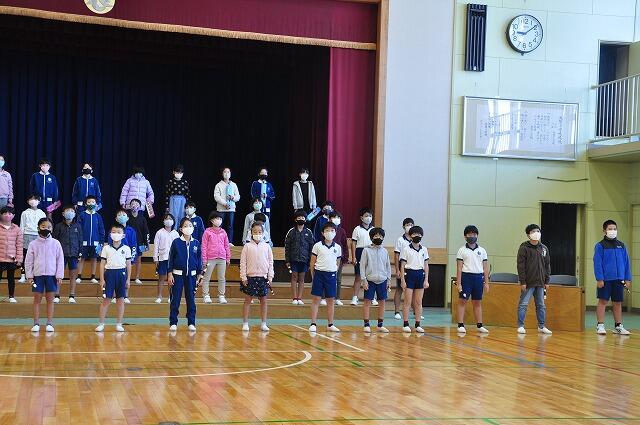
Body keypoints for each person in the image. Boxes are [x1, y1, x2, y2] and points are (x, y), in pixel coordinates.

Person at [24, 218, 64, 333]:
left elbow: (60, 260)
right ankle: (36, 323)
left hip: (52, 276)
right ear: (38, 228)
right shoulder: (33, 244)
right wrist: (29, 276)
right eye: (43, 226)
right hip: (38, 277)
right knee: (37, 300)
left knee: (50, 300)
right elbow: (28, 261)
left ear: (52, 229)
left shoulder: (56, 243)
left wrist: (59, 275)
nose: (46, 229)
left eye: (49, 227)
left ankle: (49, 323)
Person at [594, 219, 632, 335]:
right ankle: (600, 325)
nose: (613, 231)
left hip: (619, 279)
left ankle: (618, 326)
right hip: (605, 280)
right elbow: (597, 263)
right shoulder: (600, 246)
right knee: (603, 301)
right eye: (610, 229)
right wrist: (599, 278)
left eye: (614, 229)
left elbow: (626, 263)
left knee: (617, 302)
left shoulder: (622, 245)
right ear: (604, 231)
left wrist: (627, 278)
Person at [516, 224, 552, 335]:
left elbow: (547, 265)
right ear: (528, 235)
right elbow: (520, 266)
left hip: (540, 282)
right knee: (523, 304)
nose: (536, 233)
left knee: (541, 305)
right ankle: (521, 326)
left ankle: (541, 326)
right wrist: (523, 281)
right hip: (528, 282)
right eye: (533, 231)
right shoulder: (524, 248)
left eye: (538, 231)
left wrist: (547, 281)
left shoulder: (544, 248)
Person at [167, 218, 203, 331]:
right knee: (175, 299)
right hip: (177, 275)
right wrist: (170, 273)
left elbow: (199, 260)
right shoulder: (176, 242)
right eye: (186, 226)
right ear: (181, 229)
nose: (188, 227)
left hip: (191, 276)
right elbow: (171, 259)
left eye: (190, 225)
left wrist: (199, 274)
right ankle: (173, 322)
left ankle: (191, 322)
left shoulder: (196, 243)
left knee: (191, 300)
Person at [95, 223, 132, 332]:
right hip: (109, 274)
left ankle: (119, 324)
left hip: (121, 274)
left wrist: (128, 279)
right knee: (106, 300)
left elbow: (129, 264)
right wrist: (102, 279)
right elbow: (102, 264)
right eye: (114, 232)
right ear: (110, 234)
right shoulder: (106, 248)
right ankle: (101, 323)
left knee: (120, 300)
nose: (116, 234)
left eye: (118, 232)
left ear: (123, 235)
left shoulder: (126, 248)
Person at [240, 222, 274, 332]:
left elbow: (270, 262)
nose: (257, 234)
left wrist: (270, 276)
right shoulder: (247, 246)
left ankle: (263, 323)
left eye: (259, 232)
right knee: (247, 300)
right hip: (250, 277)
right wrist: (243, 277)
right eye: (255, 232)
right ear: (251, 233)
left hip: (263, 277)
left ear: (263, 233)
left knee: (263, 300)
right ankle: (245, 323)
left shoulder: (267, 246)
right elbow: (243, 262)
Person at [455, 225, 490, 334]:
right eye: (470, 234)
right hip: (466, 277)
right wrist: (459, 283)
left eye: (474, 234)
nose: (472, 236)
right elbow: (459, 268)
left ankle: (479, 325)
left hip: (478, 278)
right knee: (462, 301)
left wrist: (486, 283)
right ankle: (460, 324)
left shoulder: (482, 250)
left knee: (477, 302)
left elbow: (485, 268)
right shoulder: (461, 250)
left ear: (477, 236)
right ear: (465, 236)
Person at [309, 222, 342, 333]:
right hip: (319, 274)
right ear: (323, 233)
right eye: (327, 230)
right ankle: (313, 323)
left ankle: (330, 324)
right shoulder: (317, 246)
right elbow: (312, 262)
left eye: (332, 230)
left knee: (330, 300)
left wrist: (333, 272)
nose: (330, 233)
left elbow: (337, 262)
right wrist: (313, 275)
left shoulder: (338, 247)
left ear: (335, 232)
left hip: (331, 275)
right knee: (316, 299)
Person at [360, 227, 391, 333]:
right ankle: (366, 324)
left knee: (382, 302)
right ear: (371, 237)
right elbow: (362, 266)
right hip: (370, 280)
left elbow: (388, 266)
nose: (378, 237)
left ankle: (380, 325)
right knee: (367, 302)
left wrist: (388, 280)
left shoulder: (385, 251)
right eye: (376, 236)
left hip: (382, 280)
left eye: (380, 236)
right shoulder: (366, 250)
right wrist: (364, 280)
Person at [399, 226, 429, 333]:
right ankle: (405, 323)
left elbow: (426, 265)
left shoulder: (424, 249)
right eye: (415, 234)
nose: (417, 236)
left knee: (418, 302)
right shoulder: (406, 249)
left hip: (420, 275)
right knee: (407, 301)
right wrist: (403, 280)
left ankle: (418, 324)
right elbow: (402, 265)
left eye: (419, 234)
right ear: (411, 236)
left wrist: (426, 279)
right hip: (409, 274)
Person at [52, 206, 83, 304]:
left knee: (73, 276)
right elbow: (54, 241)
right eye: (67, 211)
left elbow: (80, 240)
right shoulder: (58, 226)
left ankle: (72, 295)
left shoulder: (77, 226)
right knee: (58, 275)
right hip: (61, 255)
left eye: (72, 211)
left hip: (74, 254)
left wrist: (80, 252)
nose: (70, 212)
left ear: (75, 214)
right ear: (63, 213)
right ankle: (57, 295)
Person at [284, 210, 314, 305]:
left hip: (305, 260)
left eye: (303, 217)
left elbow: (311, 247)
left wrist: (310, 260)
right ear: (295, 219)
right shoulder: (291, 232)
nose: (301, 219)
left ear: (305, 219)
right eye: (299, 217)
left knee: (301, 278)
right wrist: (287, 260)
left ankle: (299, 298)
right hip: (293, 259)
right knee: (294, 277)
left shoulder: (309, 232)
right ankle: (294, 298)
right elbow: (287, 247)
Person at [201, 211, 231, 304]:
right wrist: (204, 259)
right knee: (206, 277)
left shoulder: (223, 232)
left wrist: (228, 257)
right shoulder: (207, 232)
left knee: (221, 278)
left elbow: (226, 245)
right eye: (217, 218)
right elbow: (204, 246)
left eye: (220, 218)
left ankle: (221, 296)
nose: (219, 220)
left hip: (222, 258)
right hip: (210, 258)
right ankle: (206, 295)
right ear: (212, 220)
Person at [109, 209, 138, 304]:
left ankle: (125, 295)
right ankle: (114, 296)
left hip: (127, 257)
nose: (121, 216)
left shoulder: (131, 231)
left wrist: (132, 259)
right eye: (119, 215)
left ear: (127, 218)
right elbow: (110, 244)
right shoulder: (113, 230)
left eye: (123, 214)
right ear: (116, 219)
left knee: (125, 277)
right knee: (115, 277)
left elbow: (134, 245)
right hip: (115, 257)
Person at [76, 196, 105, 284]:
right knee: (81, 258)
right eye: (89, 202)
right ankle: (79, 276)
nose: (91, 204)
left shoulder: (98, 216)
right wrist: (79, 240)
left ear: (96, 204)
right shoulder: (82, 215)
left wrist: (101, 242)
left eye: (93, 202)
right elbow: (78, 228)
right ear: (85, 204)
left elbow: (101, 229)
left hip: (95, 243)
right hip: (83, 242)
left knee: (94, 259)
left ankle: (93, 276)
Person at [18, 195, 46, 283]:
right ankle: (23, 275)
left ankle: (35, 274)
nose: (33, 201)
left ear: (39, 201)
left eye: (35, 199)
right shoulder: (25, 213)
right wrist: (21, 237)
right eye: (31, 199)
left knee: (37, 256)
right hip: (27, 235)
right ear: (28, 201)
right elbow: (22, 226)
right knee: (26, 256)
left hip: (38, 235)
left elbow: (44, 225)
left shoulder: (42, 213)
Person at [349, 208, 374, 306]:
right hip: (360, 252)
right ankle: (355, 298)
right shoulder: (357, 229)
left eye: (370, 216)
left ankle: (371, 298)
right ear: (361, 218)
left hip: (370, 252)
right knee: (358, 276)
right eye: (366, 216)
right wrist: (354, 256)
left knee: (370, 276)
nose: (368, 218)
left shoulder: (373, 229)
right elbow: (353, 243)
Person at [153, 213, 179, 304]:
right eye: (166, 219)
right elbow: (156, 246)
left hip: (173, 259)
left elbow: (178, 247)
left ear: (173, 221)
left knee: (171, 278)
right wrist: (155, 258)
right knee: (161, 277)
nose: (168, 220)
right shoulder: (159, 232)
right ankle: (159, 296)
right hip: (162, 258)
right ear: (163, 221)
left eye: (170, 218)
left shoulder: (175, 233)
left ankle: (170, 296)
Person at [0, 206, 22, 303]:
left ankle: (11, 296)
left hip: (11, 258)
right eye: (4, 213)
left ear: (13, 215)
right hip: (0, 258)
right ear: (1, 215)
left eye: (9, 213)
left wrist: (19, 259)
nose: (7, 215)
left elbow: (19, 245)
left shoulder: (17, 229)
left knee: (11, 278)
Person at [393, 218, 414, 319]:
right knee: (400, 289)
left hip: (412, 267)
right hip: (403, 267)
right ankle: (397, 311)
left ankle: (416, 311)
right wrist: (397, 269)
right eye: (408, 225)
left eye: (411, 225)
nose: (410, 226)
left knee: (413, 290)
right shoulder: (400, 240)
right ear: (403, 227)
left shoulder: (415, 239)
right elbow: (396, 255)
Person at [214, 167, 240, 244]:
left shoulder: (234, 185)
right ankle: (219, 242)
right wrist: (225, 203)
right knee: (220, 226)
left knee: (230, 226)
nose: (226, 174)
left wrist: (233, 198)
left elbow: (238, 197)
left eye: (228, 172)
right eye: (225, 172)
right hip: (221, 209)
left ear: (230, 174)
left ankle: (229, 242)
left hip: (231, 209)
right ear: (222, 174)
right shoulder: (218, 185)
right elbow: (216, 197)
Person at [127, 199, 150, 284]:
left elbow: (145, 231)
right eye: (132, 204)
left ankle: (137, 277)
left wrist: (146, 243)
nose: (134, 205)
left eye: (136, 204)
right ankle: (127, 277)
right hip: (128, 242)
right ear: (130, 206)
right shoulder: (127, 217)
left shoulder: (142, 219)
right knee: (127, 260)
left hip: (139, 242)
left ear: (140, 207)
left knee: (138, 259)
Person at [328, 211, 348, 306]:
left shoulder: (342, 231)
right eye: (334, 217)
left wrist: (345, 258)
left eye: (338, 217)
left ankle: (337, 298)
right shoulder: (326, 230)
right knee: (327, 278)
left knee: (338, 279)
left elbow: (345, 245)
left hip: (339, 258)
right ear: (329, 219)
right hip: (327, 258)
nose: (336, 219)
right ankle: (324, 297)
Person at [165, 164, 191, 230]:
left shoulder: (185, 182)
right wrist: (167, 206)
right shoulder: (170, 182)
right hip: (173, 200)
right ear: (173, 172)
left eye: (180, 172)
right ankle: (173, 231)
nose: (179, 174)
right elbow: (167, 194)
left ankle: (181, 230)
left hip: (182, 201)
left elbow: (187, 194)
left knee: (182, 216)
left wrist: (188, 205)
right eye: (177, 172)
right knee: (173, 216)